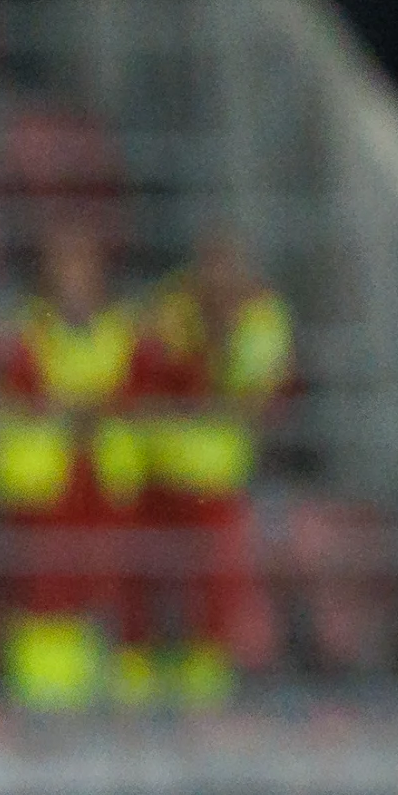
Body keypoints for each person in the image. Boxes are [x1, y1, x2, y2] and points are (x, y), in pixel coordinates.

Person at [0, 214, 150, 710]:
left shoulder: (129, 335)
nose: (74, 277)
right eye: (63, 264)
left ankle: (129, 719)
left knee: (121, 607)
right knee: (45, 609)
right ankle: (42, 710)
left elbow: (145, 402)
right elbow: (9, 408)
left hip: (108, 494)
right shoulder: (21, 338)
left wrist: (77, 412)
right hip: (47, 500)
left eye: (83, 264)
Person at [135, 231, 295, 707]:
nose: (217, 281)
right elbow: (148, 379)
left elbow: (253, 404)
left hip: (219, 483)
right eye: (209, 270)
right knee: (149, 590)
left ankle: (205, 702)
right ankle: (142, 698)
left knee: (215, 597)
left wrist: (211, 363)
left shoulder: (261, 320)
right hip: (158, 475)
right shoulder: (169, 309)